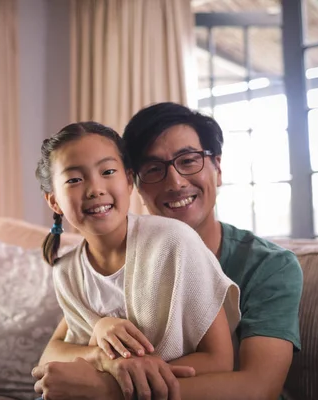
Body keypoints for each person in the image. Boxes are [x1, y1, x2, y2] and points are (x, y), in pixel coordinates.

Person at [32, 103, 303, 400]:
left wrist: (110, 388)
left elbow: (258, 387)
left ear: (218, 169)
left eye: (188, 161)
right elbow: (60, 347)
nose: (175, 182)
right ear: (135, 182)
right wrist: (102, 354)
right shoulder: (84, 265)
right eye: (154, 169)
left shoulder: (269, 266)